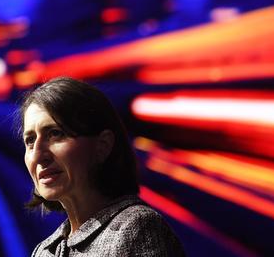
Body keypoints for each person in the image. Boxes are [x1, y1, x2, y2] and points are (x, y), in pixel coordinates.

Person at [19, 76, 185, 256]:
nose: (37, 155)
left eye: (55, 133)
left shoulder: (136, 229)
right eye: (30, 140)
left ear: (103, 146)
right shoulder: (44, 251)